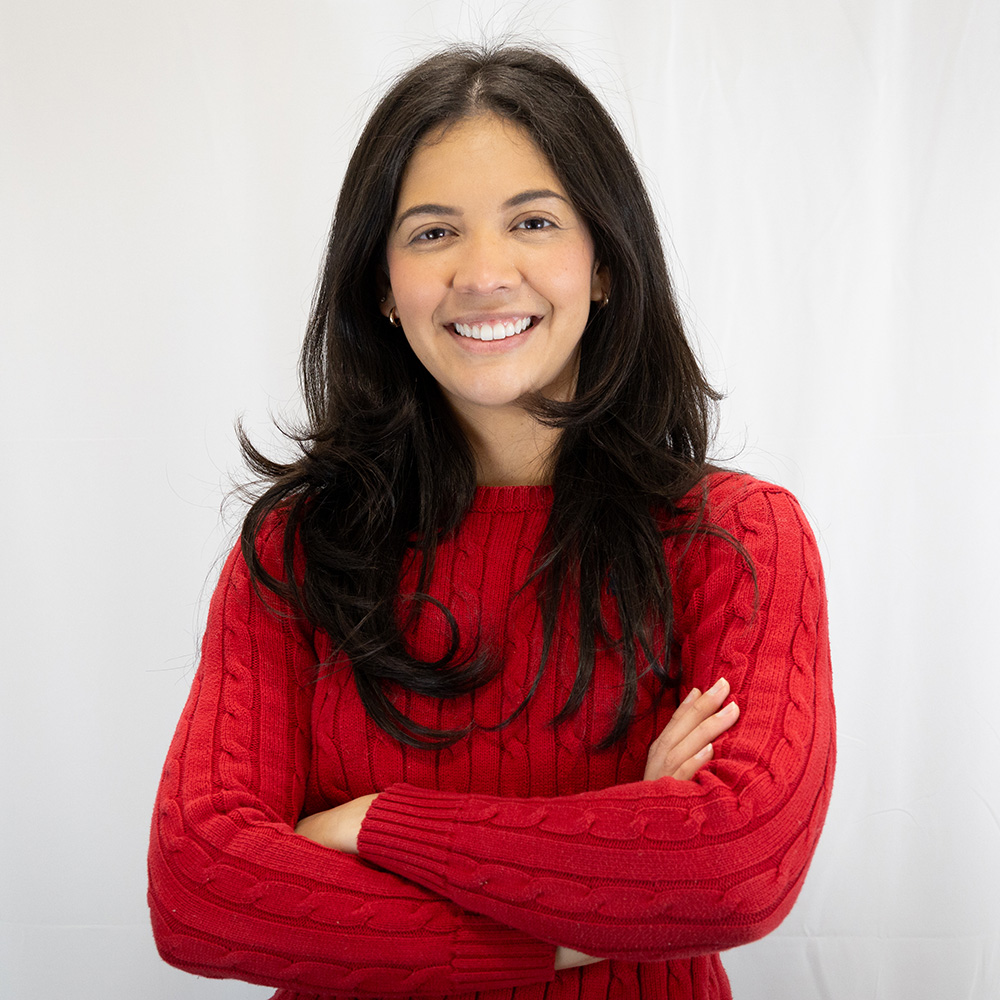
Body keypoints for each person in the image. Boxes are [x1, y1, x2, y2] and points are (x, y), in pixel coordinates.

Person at [148, 45, 835, 1000]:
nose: (483, 273)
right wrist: (606, 876)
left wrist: (375, 824)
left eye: (534, 221)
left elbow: (738, 863)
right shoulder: (299, 548)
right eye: (432, 233)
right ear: (382, 288)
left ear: (602, 264)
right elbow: (200, 889)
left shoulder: (736, 540)